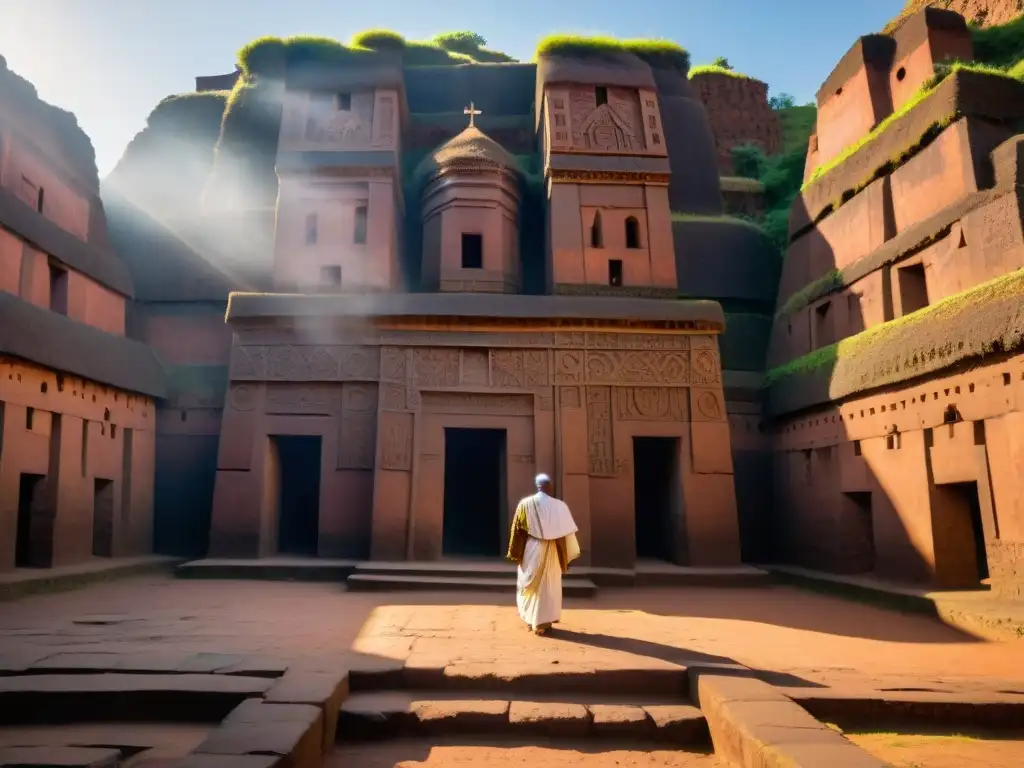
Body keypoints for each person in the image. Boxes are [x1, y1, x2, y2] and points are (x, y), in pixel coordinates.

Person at [506, 473, 581, 635]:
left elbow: (517, 532)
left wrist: (515, 553)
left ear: (537, 486)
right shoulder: (560, 506)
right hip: (552, 550)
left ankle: (532, 619)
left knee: (530, 584)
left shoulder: (525, 504)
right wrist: (567, 555)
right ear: (550, 486)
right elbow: (568, 533)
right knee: (549, 586)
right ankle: (544, 622)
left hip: (531, 549)